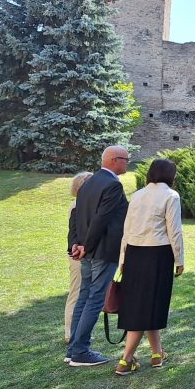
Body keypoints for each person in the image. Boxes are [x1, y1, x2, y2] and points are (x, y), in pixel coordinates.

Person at [113, 158, 185, 376]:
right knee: (146, 305)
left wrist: (123, 259)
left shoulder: (137, 195)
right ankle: (126, 359)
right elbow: (174, 230)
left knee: (145, 303)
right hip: (158, 253)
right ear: (170, 175)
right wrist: (179, 260)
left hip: (134, 253)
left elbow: (127, 229)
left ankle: (157, 353)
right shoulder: (171, 195)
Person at [66, 146, 130, 366]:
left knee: (84, 297)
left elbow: (79, 217)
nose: (128, 163)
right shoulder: (112, 185)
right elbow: (101, 219)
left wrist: (78, 244)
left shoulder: (88, 183)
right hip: (102, 250)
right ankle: (80, 351)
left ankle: (73, 349)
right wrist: (86, 245)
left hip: (87, 250)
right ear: (114, 160)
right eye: (125, 159)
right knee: (94, 299)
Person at [63, 171, 92, 342]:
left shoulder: (84, 204)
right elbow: (73, 233)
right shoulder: (77, 205)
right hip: (78, 255)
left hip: (84, 254)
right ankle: (70, 332)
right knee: (77, 292)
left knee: (84, 293)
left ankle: (79, 331)